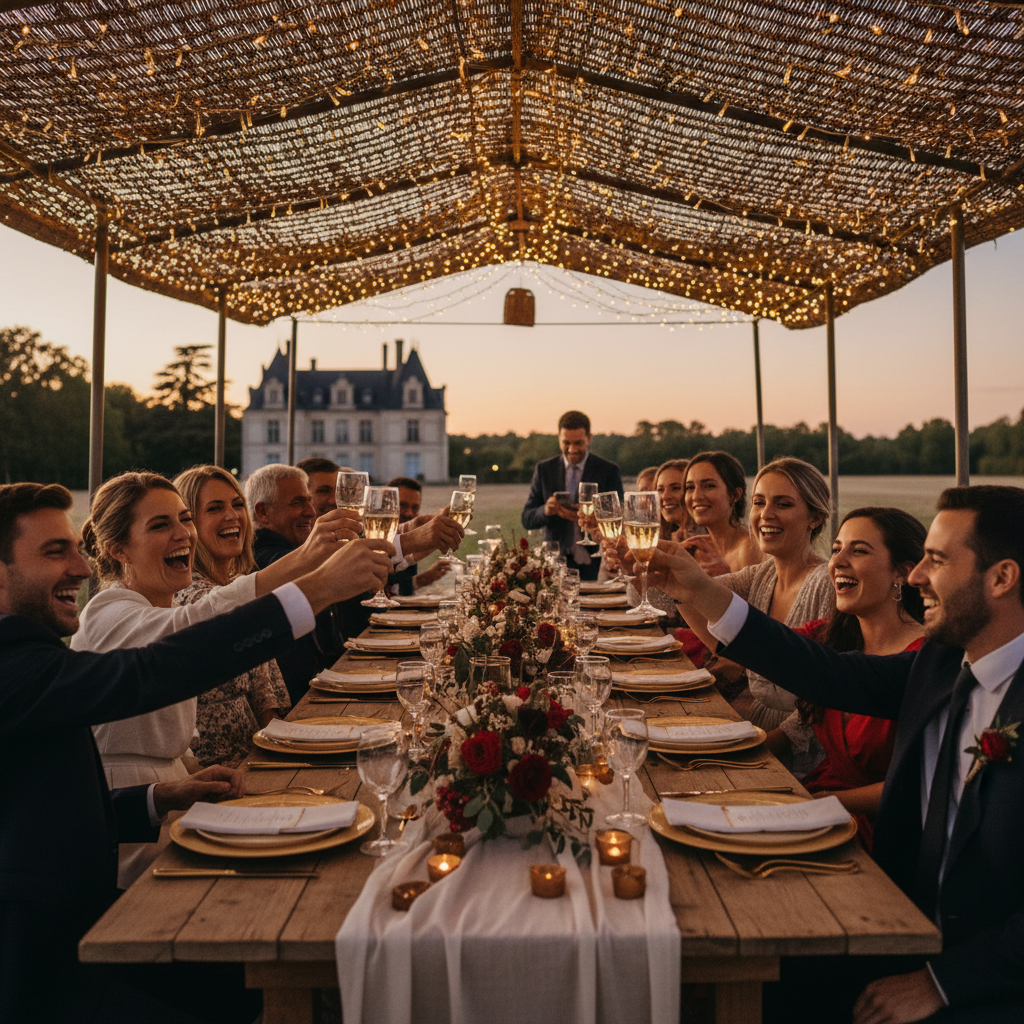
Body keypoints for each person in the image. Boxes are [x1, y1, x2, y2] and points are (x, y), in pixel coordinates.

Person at [0, 481, 392, 1023]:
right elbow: (157, 667)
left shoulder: (30, 661)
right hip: (50, 967)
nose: (82, 566)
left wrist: (155, 798)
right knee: (273, 957)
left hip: (88, 926)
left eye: (74, 546)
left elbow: (35, 810)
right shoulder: (16, 666)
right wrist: (312, 590)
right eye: (53, 551)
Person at [647, 485, 1024, 1023]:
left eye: (936, 561)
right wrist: (700, 591)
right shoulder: (944, 665)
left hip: (989, 982)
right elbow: (824, 672)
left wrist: (942, 983)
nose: (918, 576)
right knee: (723, 957)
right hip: (904, 926)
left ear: (1002, 577)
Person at [72, 471, 362, 885]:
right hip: (129, 831)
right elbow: (201, 627)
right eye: (160, 525)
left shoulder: (151, 609)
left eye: (184, 519)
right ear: (117, 549)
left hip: (173, 794)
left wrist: (188, 772)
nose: (183, 534)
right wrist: (312, 572)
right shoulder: (109, 613)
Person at [766, 507, 926, 851]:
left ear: (903, 572)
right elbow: (760, 645)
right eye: (836, 548)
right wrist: (683, 588)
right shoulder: (833, 636)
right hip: (821, 802)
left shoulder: (927, 659)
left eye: (859, 550)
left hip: (887, 833)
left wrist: (829, 803)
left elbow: (921, 781)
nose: (837, 561)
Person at [681, 457, 836, 771]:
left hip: (803, 745)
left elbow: (826, 699)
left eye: (783, 504)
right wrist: (671, 576)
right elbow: (702, 613)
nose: (766, 514)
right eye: (759, 502)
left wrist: (765, 744)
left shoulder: (826, 583)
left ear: (815, 518)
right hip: (758, 722)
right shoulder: (762, 575)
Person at [172, 465, 291, 768]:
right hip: (215, 772)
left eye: (238, 504)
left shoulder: (230, 586)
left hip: (258, 758)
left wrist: (286, 757)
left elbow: (266, 697)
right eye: (214, 508)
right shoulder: (191, 597)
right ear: (187, 524)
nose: (232, 516)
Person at [521, 410, 624, 581]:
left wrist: (589, 516)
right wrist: (546, 510)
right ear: (558, 438)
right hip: (554, 562)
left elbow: (619, 516)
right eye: (566, 442)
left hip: (595, 560)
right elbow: (526, 518)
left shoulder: (608, 470)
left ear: (589, 438)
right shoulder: (544, 469)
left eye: (579, 443)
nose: (572, 449)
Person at [680, 450, 763, 573]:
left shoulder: (751, 549)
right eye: (690, 488)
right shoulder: (697, 549)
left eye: (709, 486)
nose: (696, 496)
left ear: (735, 495)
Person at [385, 476, 450, 595]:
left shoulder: (407, 536)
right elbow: (380, 588)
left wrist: (423, 579)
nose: (409, 513)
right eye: (402, 505)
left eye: (415, 508)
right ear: (386, 504)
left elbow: (396, 588)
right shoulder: (371, 536)